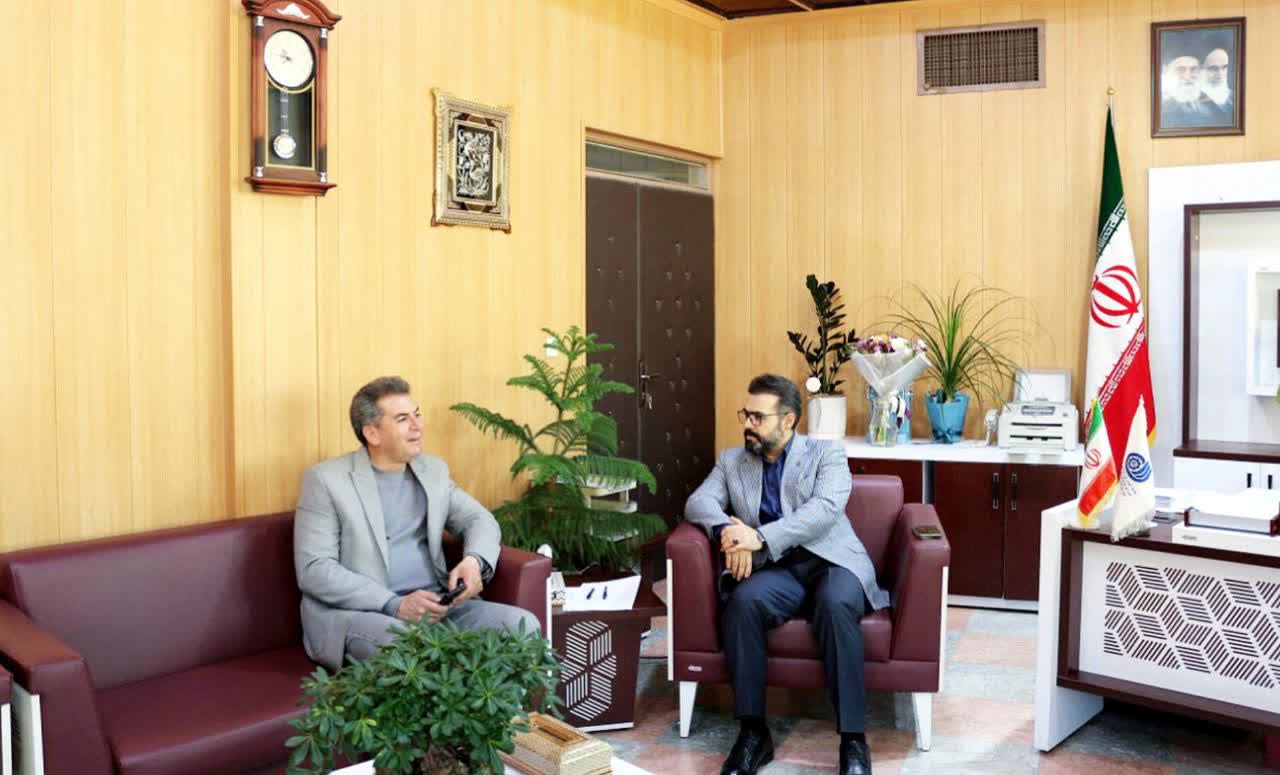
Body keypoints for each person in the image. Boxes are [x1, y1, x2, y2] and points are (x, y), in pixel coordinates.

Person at [685, 374, 889, 775]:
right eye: (746, 414)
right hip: (778, 570)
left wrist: (759, 537)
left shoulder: (826, 454)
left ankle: (853, 741)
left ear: (789, 420)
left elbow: (824, 509)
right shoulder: (732, 461)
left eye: (758, 417)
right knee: (743, 602)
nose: (748, 424)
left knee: (835, 605)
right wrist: (728, 531)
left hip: (831, 561)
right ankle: (753, 733)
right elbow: (699, 502)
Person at [293, 376, 538, 670]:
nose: (417, 425)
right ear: (372, 433)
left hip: (437, 607)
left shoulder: (432, 470)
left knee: (523, 626)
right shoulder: (327, 480)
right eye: (402, 419)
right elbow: (314, 569)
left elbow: (479, 518)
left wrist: (473, 562)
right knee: (412, 649)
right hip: (366, 614)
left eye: (417, 414)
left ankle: (506, 705)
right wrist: (394, 604)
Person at [1159, 53, 1219, 128]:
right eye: (1180, 70)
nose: (1187, 76)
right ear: (1167, 72)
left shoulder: (1210, 105)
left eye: (1193, 69)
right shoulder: (1161, 108)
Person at [1200, 47, 1234, 120]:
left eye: (1224, 67)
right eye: (1214, 68)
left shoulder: (1234, 97)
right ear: (1201, 70)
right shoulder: (1192, 102)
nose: (1220, 74)